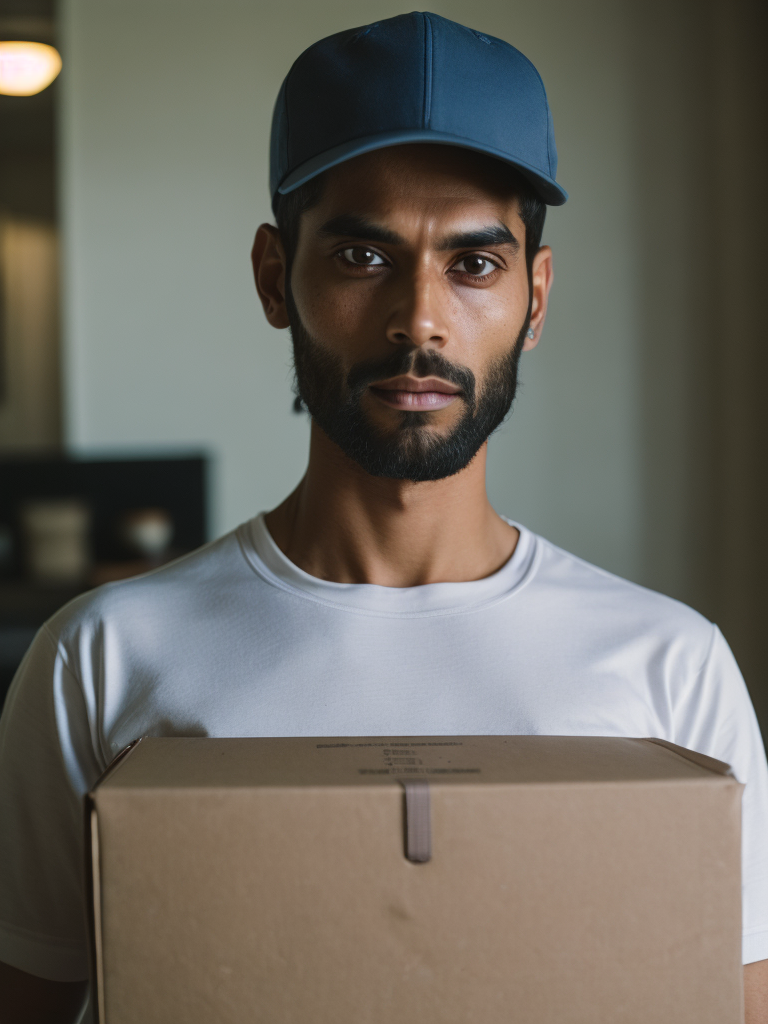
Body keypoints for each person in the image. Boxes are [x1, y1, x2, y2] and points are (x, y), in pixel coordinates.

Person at [2, 12, 767, 1023]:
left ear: (536, 299)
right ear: (278, 278)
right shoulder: (101, 659)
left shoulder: (670, 667)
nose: (419, 317)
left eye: (475, 264)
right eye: (364, 258)